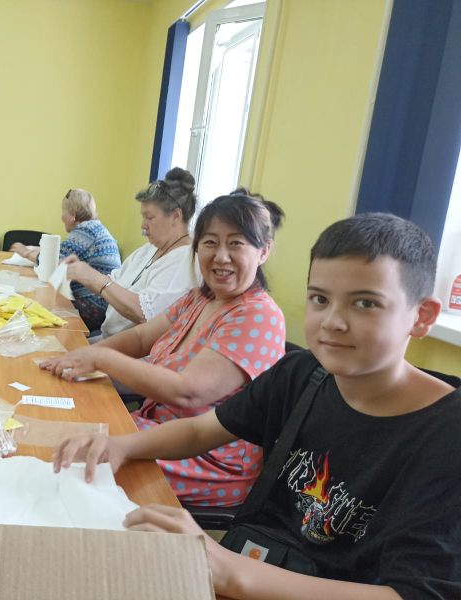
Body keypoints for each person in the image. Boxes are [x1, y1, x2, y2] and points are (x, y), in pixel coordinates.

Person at [54, 213, 461, 600]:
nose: (333, 322)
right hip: (258, 563)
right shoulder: (303, 374)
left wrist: (231, 571)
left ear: (421, 316)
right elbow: (201, 430)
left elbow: (413, 593)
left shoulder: (445, 434)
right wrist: (124, 445)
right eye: (320, 298)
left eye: (366, 303)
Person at [43, 190, 285, 506]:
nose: (221, 256)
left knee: (63, 470)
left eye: (236, 243)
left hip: (205, 458)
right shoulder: (201, 297)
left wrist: (101, 357)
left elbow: (187, 392)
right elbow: (143, 338)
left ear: (262, 251)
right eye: (210, 242)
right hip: (154, 428)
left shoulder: (259, 315)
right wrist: (80, 355)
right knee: (55, 433)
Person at [63, 168, 199, 341]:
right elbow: (114, 282)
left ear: (176, 216)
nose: (143, 225)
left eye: (149, 217)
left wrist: (95, 278)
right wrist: (81, 273)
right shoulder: (148, 250)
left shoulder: (186, 261)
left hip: (136, 356)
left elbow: (146, 315)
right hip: (109, 340)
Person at [9, 189, 121, 331]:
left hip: (95, 306)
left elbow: (54, 261)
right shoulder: (94, 228)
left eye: (63, 211)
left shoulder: (86, 230)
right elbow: (63, 252)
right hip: (103, 304)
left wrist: (25, 252)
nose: (62, 216)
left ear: (73, 214)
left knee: (37, 307)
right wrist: (34, 249)